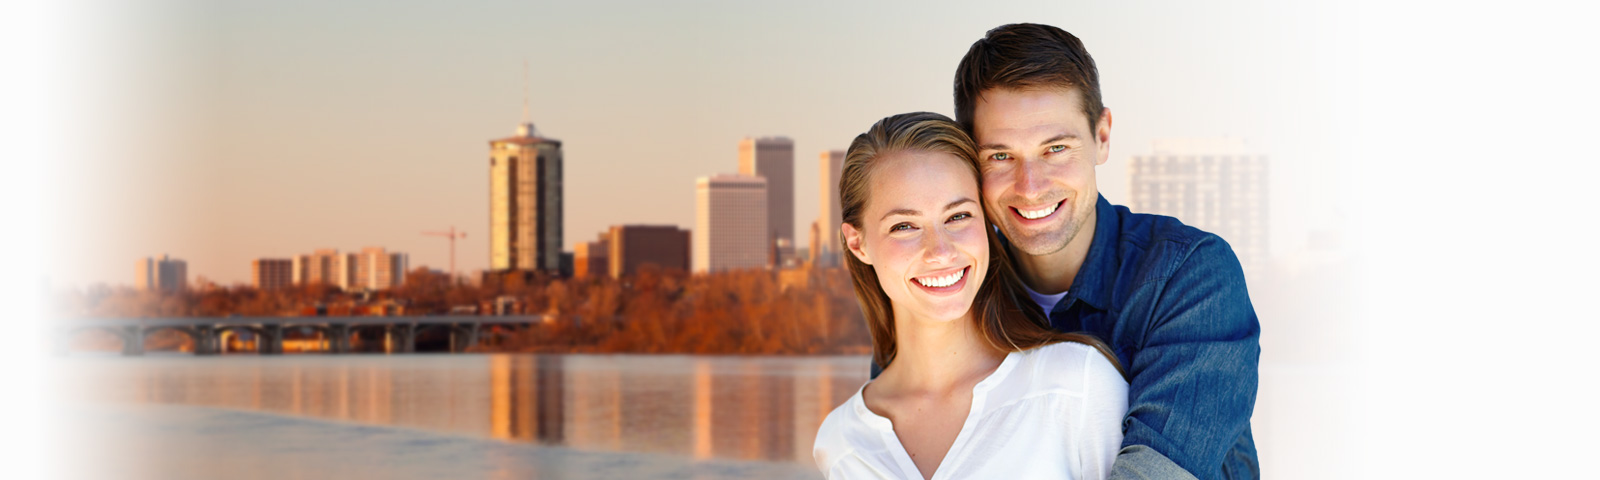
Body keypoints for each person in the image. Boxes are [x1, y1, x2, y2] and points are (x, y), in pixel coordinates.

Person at [953, 23, 1262, 479]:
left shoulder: (1191, 275)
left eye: (1056, 148)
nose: (1030, 186)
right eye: (1000, 156)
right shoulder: (947, 292)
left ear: (1102, 136)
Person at [812, 111, 1129, 480]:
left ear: (986, 222)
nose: (941, 251)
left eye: (958, 216)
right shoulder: (841, 442)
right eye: (904, 226)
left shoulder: (1076, 384)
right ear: (858, 243)